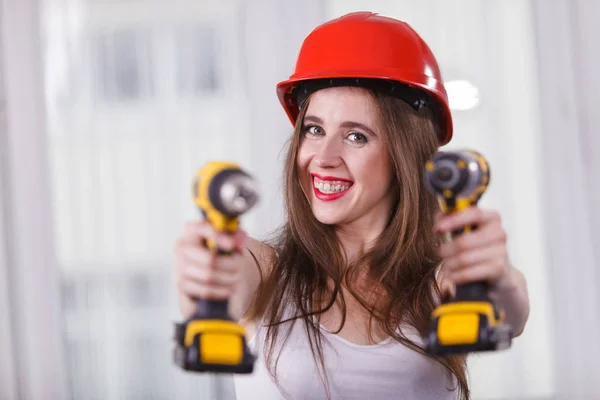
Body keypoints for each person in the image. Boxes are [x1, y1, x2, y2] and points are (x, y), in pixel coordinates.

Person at [173, 11, 530, 400]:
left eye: (356, 137)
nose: (323, 157)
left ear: (403, 157)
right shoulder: (264, 272)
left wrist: (498, 276)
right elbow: (221, 289)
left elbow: (510, 314)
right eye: (314, 130)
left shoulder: (437, 288)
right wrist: (203, 277)